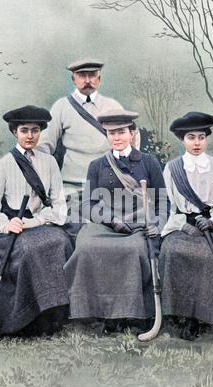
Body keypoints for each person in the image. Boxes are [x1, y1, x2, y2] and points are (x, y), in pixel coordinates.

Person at [0, 105, 73, 338]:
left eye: (35, 130)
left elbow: (58, 206)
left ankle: (53, 317)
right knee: (29, 248)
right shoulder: (2, 165)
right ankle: (25, 321)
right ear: (15, 132)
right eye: (24, 130)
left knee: (60, 242)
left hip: (38, 224)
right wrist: (7, 224)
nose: (30, 136)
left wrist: (35, 221)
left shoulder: (49, 163)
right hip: (9, 231)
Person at [63, 109, 166, 333]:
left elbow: (162, 202)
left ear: (132, 133)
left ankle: (132, 316)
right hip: (105, 226)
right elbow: (88, 204)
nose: (116, 138)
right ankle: (93, 313)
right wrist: (111, 220)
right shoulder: (97, 165)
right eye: (111, 134)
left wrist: (156, 225)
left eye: (121, 132)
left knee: (135, 250)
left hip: (139, 227)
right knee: (87, 248)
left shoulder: (149, 163)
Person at [158, 111, 213, 341]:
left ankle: (207, 316)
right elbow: (167, 206)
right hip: (183, 224)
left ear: (207, 138)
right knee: (172, 251)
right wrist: (183, 227)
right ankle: (182, 315)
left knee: (208, 256)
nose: (197, 143)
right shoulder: (172, 168)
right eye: (191, 138)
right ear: (182, 140)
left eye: (201, 137)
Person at [37, 58, 139, 243]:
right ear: (73, 79)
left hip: (107, 186)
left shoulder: (112, 106)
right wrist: (46, 180)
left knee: (119, 232)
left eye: (92, 75)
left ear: (99, 78)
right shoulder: (62, 106)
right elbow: (44, 147)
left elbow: (131, 140)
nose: (87, 80)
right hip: (71, 187)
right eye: (82, 75)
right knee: (74, 233)